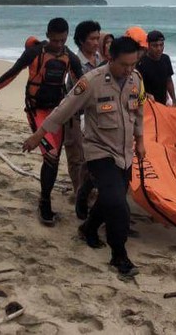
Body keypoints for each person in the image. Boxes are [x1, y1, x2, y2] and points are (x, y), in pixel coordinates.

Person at [23, 36, 145, 277]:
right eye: (124, 64)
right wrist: (39, 134)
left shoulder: (136, 80)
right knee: (119, 206)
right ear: (110, 58)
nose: (129, 69)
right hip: (99, 152)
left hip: (125, 153)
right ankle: (119, 256)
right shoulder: (91, 82)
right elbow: (64, 108)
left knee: (113, 197)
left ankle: (88, 229)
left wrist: (140, 141)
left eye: (133, 64)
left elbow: (139, 111)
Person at [0, 18, 83, 225]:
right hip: (36, 112)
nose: (59, 45)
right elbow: (12, 73)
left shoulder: (70, 57)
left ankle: (44, 197)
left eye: (62, 40)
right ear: (47, 35)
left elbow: (83, 85)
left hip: (57, 113)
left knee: (53, 158)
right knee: (51, 156)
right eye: (55, 40)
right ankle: (45, 202)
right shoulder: (35, 53)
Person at [67, 20, 102, 219]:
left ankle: (87, 191)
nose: (96, 42)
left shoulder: (99, 58)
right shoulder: (76, 63)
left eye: (98, 38)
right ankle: (79, 193)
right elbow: (79, 94)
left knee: (92, 158)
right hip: (76, 115)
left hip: (95, 116)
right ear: (81, 41)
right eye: (92, 39)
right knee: (77, 157)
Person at [137, 30, 176, 106]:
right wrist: (146, 95)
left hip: (162, 103)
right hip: (147, 104)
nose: (159, 48)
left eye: (161, 45)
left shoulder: (166, 59)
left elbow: (169, 81)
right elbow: (135, 86)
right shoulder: (140, 63)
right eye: (155, 45)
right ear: (148, 45)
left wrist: (174, 100)